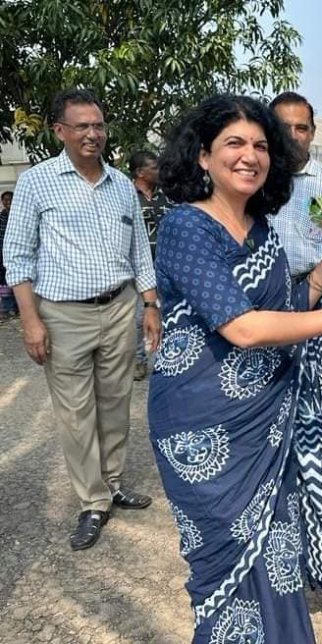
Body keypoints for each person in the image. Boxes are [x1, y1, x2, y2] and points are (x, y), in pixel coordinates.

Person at [150, 94, 322, 643]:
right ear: (202, 156)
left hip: (268, 426)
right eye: (234, 144)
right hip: (203, 432)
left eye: (261, 145)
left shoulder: (262, 229)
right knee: (225, 571)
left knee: (279, 562)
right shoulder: (185, 228)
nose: (250, 156)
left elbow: (283, 309)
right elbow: (242, 327)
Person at [2, 88, 159, 551]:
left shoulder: (120, 187)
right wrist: (31, 321)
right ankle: (92, 501)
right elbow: (17, 256)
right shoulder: (37, 183)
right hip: (63, 314)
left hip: (118, 309)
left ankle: (111, 484)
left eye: (98, 125)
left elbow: (139, 252)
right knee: (75, 412)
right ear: (60, 131)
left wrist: (149, 304)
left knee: (115, 405)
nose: (93, 134)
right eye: (82, 126)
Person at [269, 91, 322, 280]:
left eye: (301, 128)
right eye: (283, 127)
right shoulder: (254, 179)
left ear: (312, 133)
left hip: (317, 289)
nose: (292, 136)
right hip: (261, 291)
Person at [128, 149, 172, 380]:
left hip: (167, 267)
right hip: (139, 270)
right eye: (153, 167)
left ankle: (167, 358)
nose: (158, 171)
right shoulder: (126, 195)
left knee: (168, 314)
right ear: (139, 172)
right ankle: (139, 360)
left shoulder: (166, 195)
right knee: (139, 318)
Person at [0, 190, 19, 319]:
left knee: (18, 279)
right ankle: (8, 307)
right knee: (4, 281)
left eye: (10, 199)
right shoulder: (1, 217)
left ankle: (19, 307)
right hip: (2, 254)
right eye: (5, 200)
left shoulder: (19, 217)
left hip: (16, 253)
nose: (8, 202)